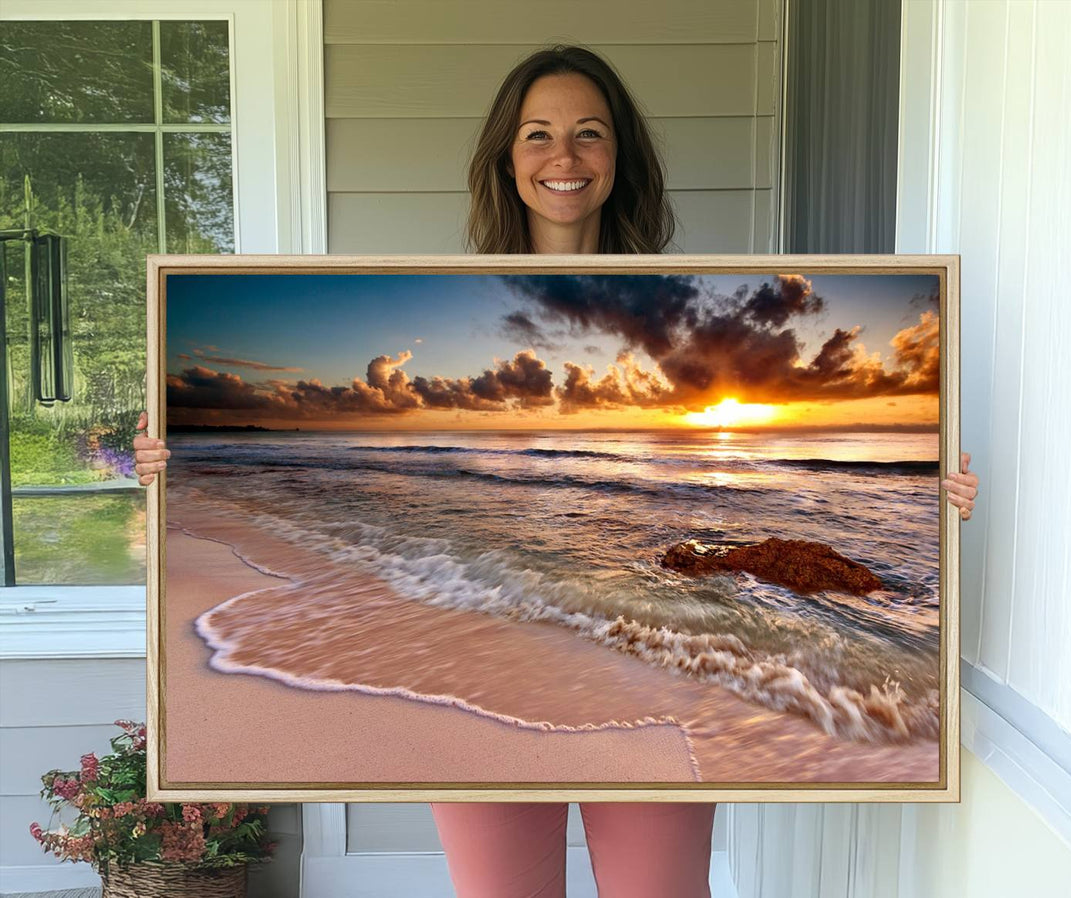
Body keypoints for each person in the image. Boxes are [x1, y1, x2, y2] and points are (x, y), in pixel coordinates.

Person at [133, 45, 980, 898]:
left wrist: (937, 503)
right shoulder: (445, 287)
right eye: (538, 134)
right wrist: (166, 464)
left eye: (589, 134)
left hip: (653, 661)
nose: (564, 157)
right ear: (508, 157)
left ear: (619, 159)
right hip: (475, 644)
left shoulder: (694, 289)